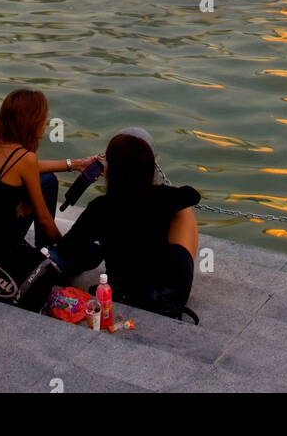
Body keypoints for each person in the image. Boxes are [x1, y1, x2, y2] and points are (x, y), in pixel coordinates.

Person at [55, 132, 200, 322]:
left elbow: (66, 251)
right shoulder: (163, 197)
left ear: (111, 171)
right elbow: (193, 195)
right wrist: (165, 188)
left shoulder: (100, 207)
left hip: (125, 292)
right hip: (170, 295)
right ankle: (179, 287)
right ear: (150, 169)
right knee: (184, 211)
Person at [0, 89, 98, 301]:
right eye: (43, 117)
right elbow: (46, 221)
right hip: (1, 260)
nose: (46, 122)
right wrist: (67, 246)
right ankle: (50, 256)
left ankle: (45, 250)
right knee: (93, 253)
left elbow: (31, 166)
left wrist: (76, 165)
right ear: (30, 121)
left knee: (47, 180)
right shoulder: (24, 159)